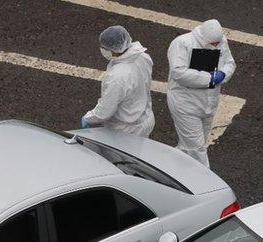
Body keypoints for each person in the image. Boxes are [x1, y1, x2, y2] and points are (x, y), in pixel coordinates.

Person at [166, 19, 236, 167]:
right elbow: (178, 73)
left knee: (190, 146)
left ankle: (170, 170)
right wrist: (209, 78)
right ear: (203, 38)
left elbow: (230, 63)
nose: (217, 46)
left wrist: (223, 74)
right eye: (213, 44)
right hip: (186, 105)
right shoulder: (182, 44)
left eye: (218, 43)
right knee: (196, 150)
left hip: (209, 103)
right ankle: (206, 184)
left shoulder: (220, 40)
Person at [80, 25, 155, 137]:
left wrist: (89, 118)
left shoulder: (117, 76)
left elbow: (105, 111)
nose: (102, 50)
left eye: (104, 48)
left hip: (126, 130)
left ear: (114, 50)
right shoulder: (143, 57)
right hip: (145, 118)